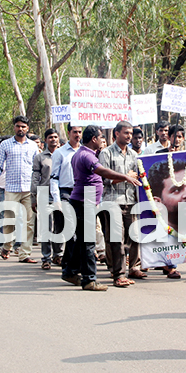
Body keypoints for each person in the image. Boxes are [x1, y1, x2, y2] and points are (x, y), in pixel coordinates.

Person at [61, 125, 141, 291]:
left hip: (85, 199)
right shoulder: (87, 156)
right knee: (88, 242)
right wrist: (125, 176)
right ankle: (89, 279)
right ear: (94, 139)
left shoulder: (82, 153)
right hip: (85, 200)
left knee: (81, 241)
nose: (102, 141)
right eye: (100, 137)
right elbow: (103, 171)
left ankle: (70, 271)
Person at [0, 116, 38, 263]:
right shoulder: (6, 145)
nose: (20, 129)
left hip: (28, 189)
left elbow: (36, 169)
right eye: (18, 126)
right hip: (11, 188)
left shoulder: (33, 146)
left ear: (27, 128)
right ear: (14, 127)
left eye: (23, 126)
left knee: (29, 221)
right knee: (10, 220)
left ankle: (25, 254)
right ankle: (7, 246)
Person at [99, 121, 144, 287]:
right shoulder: (106, 153)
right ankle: (118, 274)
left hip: (131, 200)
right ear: (116, 134)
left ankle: (132, 267)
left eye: (130, 133)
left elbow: (139, 177)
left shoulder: (133, 155)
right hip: (112, 201)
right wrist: (126, 176)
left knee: (132, 237)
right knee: (116, 239)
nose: (129, 136)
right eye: (126, 133)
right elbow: (105, 179)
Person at [50, 125, 82, 267]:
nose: (77, 135)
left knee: (80, 231)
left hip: (81, 192)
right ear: (68, 133)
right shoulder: (60, 153)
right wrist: (57, 199)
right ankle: (65, 260)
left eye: (80, 132)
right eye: (75, 132)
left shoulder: (85, 152)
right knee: (69, 229)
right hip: (66, 193)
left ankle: (73, 262)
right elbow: (54, 178)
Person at [31, 129, 60, 269]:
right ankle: (46, 258)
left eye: (55, 137)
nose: (53, 139)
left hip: (60, 194)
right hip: (44, 193)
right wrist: (33, 196)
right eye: (50, 137)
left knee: (59, 227)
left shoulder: (63, 154)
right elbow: (35, 178)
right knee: (45, 227)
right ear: (46, 140)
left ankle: (58, 255)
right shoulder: (40, 157)